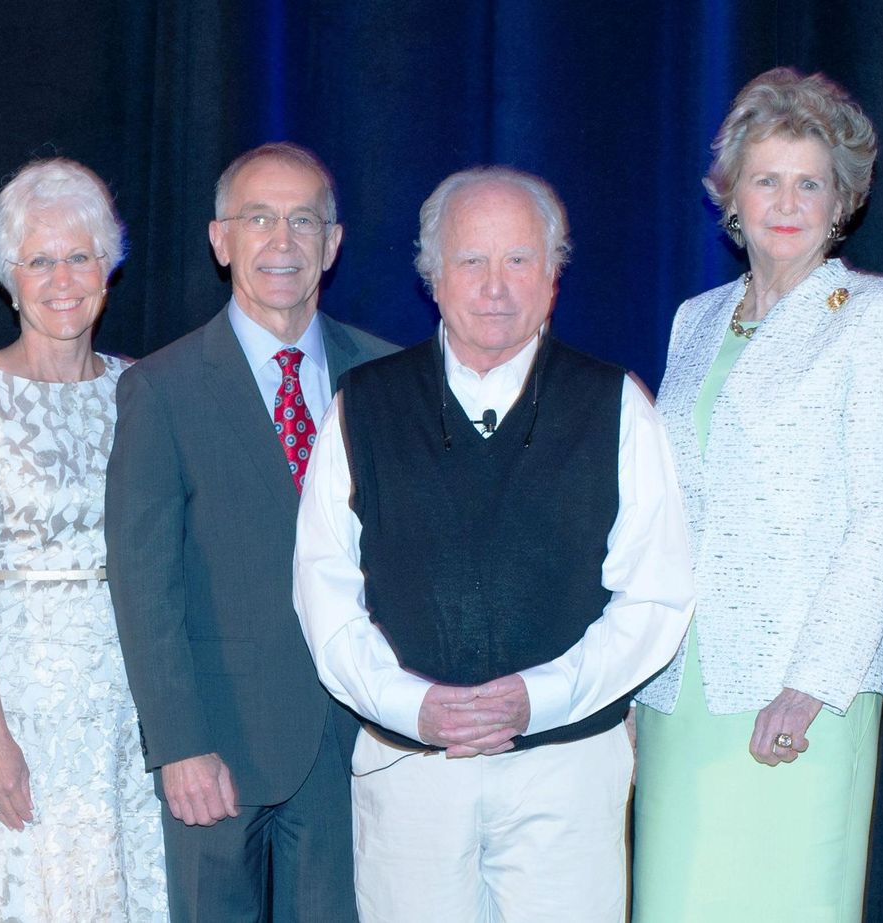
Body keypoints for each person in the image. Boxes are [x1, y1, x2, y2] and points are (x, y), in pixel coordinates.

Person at [293, 165, 695, 923]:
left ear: (553, 277)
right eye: (471, 261)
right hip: (410, 769)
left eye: (519, 260)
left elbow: (657, 595)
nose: (495, 286)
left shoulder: (619, 406)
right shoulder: (363, 407)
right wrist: (415, 706)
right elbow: (322, 590)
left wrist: (536, 699)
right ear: (434, 278)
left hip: (567, 770)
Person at [632, 68, 883, 922]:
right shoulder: (696, 317)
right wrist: (634, 673)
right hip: (681, 690)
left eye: (811, 182)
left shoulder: (881, 316)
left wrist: (811, 680)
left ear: (843, 202)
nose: (787, 201)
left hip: (800, 691)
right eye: (767, 178)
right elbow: (670, 507)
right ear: (732, 194)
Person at [105, 141, 396, 923]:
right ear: (219, 238)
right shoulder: (160, 389)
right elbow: (144, 585)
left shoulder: (385, 379)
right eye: (258, 218)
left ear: (332, 244)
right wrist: (177, 743)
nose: (282, 240)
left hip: (351, 748)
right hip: (217, 750)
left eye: (304, 220)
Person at [0, 158, 167, 919]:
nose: (62, 277)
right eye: (40, 259)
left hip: (127, 715)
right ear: (9, 276)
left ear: (109, 266)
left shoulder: (144, 389)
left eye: (79, 255)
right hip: (22, 709)